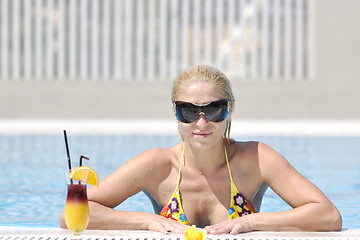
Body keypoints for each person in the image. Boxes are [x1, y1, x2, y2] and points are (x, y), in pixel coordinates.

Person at [59, 65, 342, 234]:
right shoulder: (157, 165)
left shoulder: (256, 159)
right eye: (188, 111)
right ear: (174, 113)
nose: (201, 121)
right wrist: (145, 221)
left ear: (229, 110)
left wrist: (253, 223)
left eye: (214, 109)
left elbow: (328, 215)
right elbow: (70, 215)